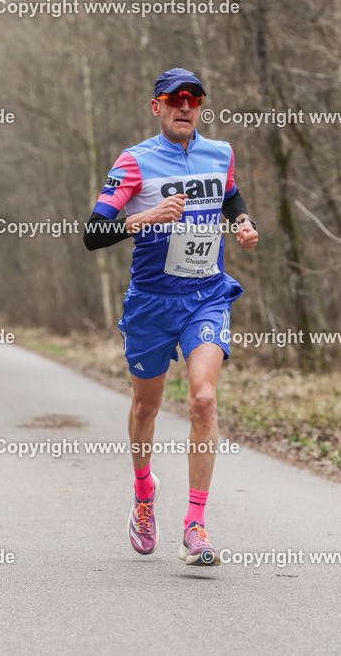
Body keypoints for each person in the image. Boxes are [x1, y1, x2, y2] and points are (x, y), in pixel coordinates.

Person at [83, 68, 258, 566]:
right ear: (155, 106)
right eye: (174, 98)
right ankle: (144, 495)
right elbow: (93, 234)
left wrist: (242, 223)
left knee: (203, 399)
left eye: (195, 98)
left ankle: (196, 525)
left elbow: (230, 194)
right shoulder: (134, 161)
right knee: (145, 408)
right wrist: (141, 219)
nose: (186, 106)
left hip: (206, 296)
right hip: (151, 302)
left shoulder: (219, 152)